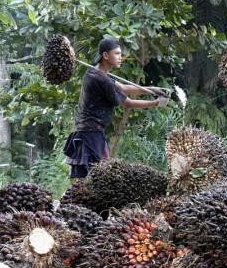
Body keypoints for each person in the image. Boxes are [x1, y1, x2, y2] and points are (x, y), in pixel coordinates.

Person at [64, 37, 169, 179]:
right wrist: (156, 103)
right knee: (99, 178)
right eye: (117, 54)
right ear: (106, 56)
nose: (121, 58)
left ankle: (68, 201)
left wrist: (153, 89)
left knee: (93, 179)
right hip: (90, 133)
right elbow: (128, 103)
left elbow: (125, 88)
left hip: (90, 131)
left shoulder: (100, 74)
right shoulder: (100, 79)